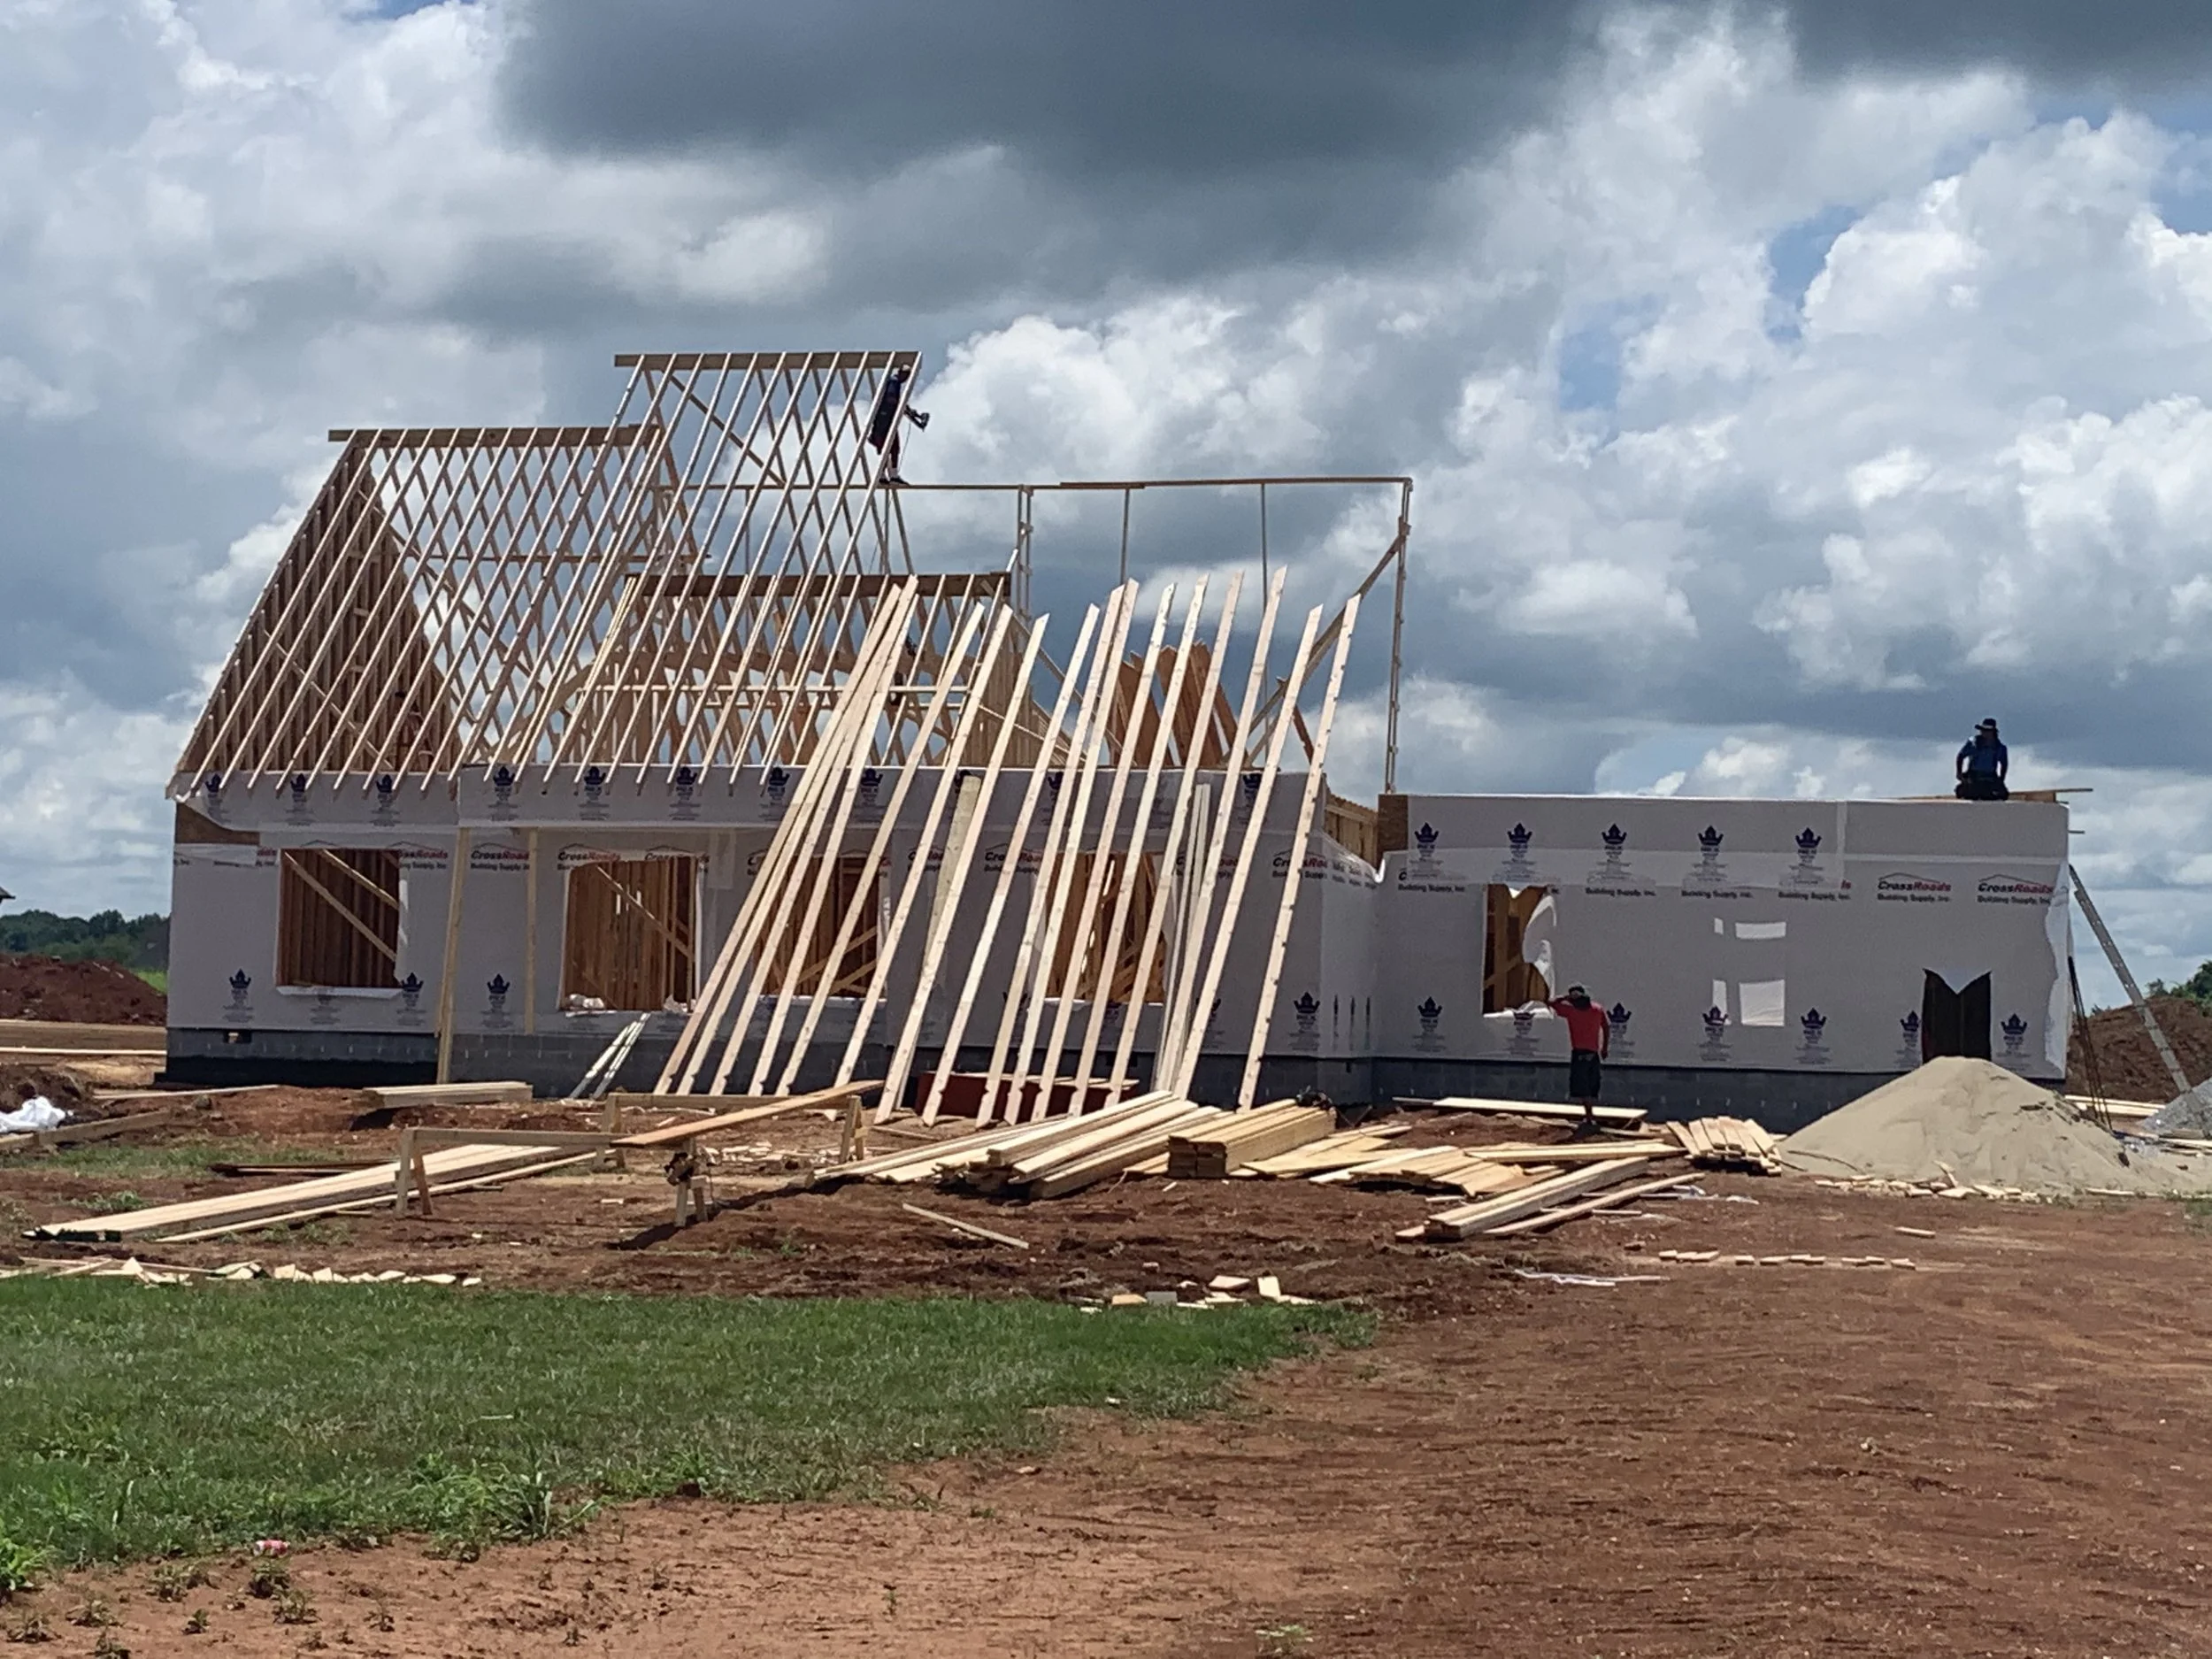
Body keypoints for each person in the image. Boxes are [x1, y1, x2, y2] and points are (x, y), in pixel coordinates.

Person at [1546, 983, 1609, 1131]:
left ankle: (1589, 1117)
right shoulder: (1597, 1009)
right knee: (1591, 1085)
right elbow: (1606, 1027)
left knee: (1583, 1087)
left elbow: (1550, 1002)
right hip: (1593, 1053)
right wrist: (1604, 1048)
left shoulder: (1571, 1010)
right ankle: (1590, 1116)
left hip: (1580, 1053)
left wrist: (1566, 997)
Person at [864, 363, 930, 484]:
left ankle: (886, 475)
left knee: (890, 448)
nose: (905, 378)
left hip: (886, 421)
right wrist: (905, 409)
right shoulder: (894, 382)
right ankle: (887, 476)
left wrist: (909, 411)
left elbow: (897, 402)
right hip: (884, 422)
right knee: (889, 448)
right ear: (900, 372)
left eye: (907, 376)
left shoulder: (895, 383)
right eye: (905, 374)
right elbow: (892, 400)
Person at [1955, 718, 2009, 801]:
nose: (1984, 733)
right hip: (1974, 775)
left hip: (1990, 776)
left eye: (1988, 731)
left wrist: (2001, 780)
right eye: (1983, 730)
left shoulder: (2000, 748)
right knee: (1972, 794)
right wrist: (1959, 773)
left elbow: (2004, 764)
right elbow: (1961, 756)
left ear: (1993, 732)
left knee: (2000, 795)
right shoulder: (1973, 743)